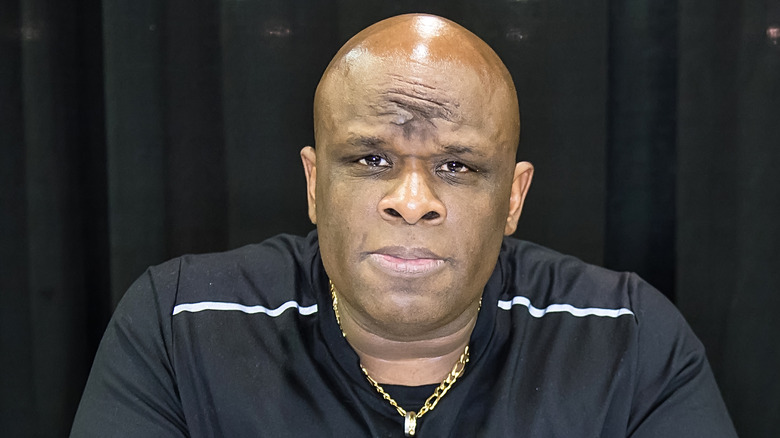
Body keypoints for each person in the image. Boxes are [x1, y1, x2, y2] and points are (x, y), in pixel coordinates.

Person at [71, 13, 736, 437]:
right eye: (371, 158)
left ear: (514, 197)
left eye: (457, 166)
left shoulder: (626, 340)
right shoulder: (182, 323)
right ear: (313, 182)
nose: (412, 201)